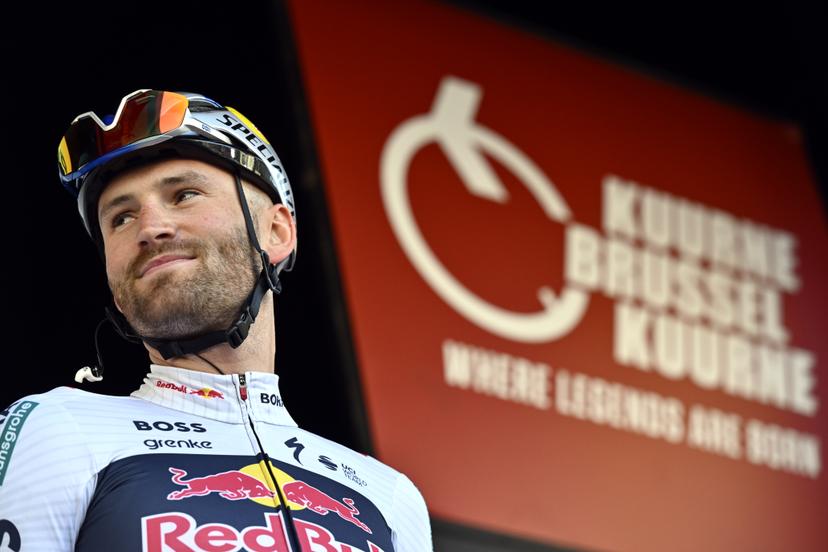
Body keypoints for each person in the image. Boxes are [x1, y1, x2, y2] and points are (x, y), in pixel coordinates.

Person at [0, 90, 432, 552]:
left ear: (276, 232)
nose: (150, 228)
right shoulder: (58, 430)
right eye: (121, 218)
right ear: (114, 284)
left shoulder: (388, 495)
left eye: (184, 195)